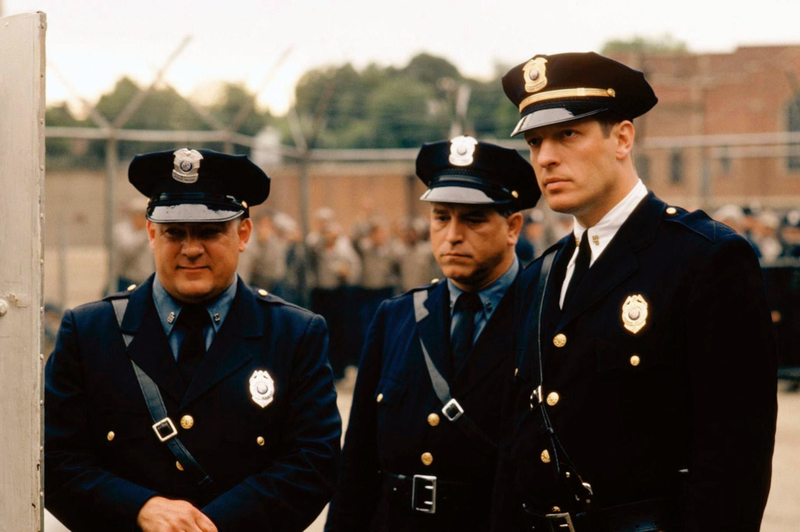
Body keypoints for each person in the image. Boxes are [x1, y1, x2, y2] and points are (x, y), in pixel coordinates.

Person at [493, 52, 778, 532]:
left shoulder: (705, 258)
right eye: (535, 141)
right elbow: (515, 446)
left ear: (623, 137)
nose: (545, 158)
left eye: (568, 134)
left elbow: (734, 458)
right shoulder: (539, 276)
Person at [45, 148, 341, 532]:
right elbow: (54, 459)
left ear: (243, 234)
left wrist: (211, 525)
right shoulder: (89, 333)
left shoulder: (295, 334)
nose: (191, 249)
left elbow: (314, 462)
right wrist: (139, 508)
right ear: (152, 234)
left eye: (210, 231)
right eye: (174, 232)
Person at [325, 135, 540, 532]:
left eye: (473, 219)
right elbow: (357, 463)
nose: (453, 234)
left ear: (512, 228)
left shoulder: (544, 317)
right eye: (441, 217)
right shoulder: (396, 317)